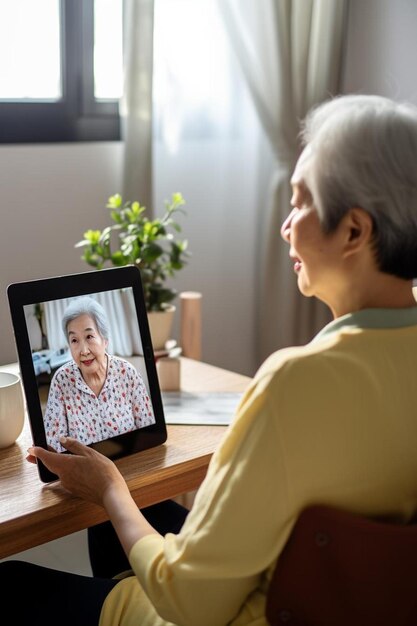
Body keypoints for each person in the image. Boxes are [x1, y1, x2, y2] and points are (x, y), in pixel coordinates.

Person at [3, 93, 417, 626]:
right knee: (135, 512)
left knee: (15, 578)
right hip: (353, 600)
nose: (286, 225)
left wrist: (109, 488)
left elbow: (191, 603)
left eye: (299, 203)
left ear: (355, 231)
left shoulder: (297, 383)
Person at [43, 296, 155, 452]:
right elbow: (53, 445)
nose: (84, 351)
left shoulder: (127, 372)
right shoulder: (62, 380)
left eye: (89, 337)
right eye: (74, 340)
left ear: (105, 339)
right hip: (83, 471)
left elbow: (149, 433)